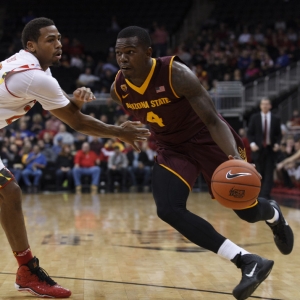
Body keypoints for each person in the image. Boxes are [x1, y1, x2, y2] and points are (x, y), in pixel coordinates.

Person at [110, 26, 294, 300]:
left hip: (208, 138)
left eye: (130, 52)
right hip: (172, 147)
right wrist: (129, 131)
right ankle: (247, 261)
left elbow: (212, 120)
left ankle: (274, 215)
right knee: (168, 209)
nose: (123, 59)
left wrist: (234, 158)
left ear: (148, 53)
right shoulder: (119, 89)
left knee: (245, 210)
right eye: (118, 53)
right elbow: (152, 115)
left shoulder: (177, 74)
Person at [0, 18, 150, 298]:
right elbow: (77, 123)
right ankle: (27, 270)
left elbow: (70, 112)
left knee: (9, 192)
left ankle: (27, 270)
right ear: (31, 45)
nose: (59, 44)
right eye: (50, 40)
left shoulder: (25, 65)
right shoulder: (36, 77)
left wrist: (77, 105)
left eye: (59, 38)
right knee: (9, 192)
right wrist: (120, 132)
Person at [247, 97, 282, 200]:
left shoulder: (276, 119)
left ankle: (265, 196)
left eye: (267, 104)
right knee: (258, 172)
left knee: (269, 173)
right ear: (260, 105)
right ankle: (257, 193)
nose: (265, 106)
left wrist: (277, 144)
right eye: (263, 104)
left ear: (270, 106)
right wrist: (252, 144)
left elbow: (278, 135)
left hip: (270, 149)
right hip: (258, 149)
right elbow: (250, 133)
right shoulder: (255, 117)